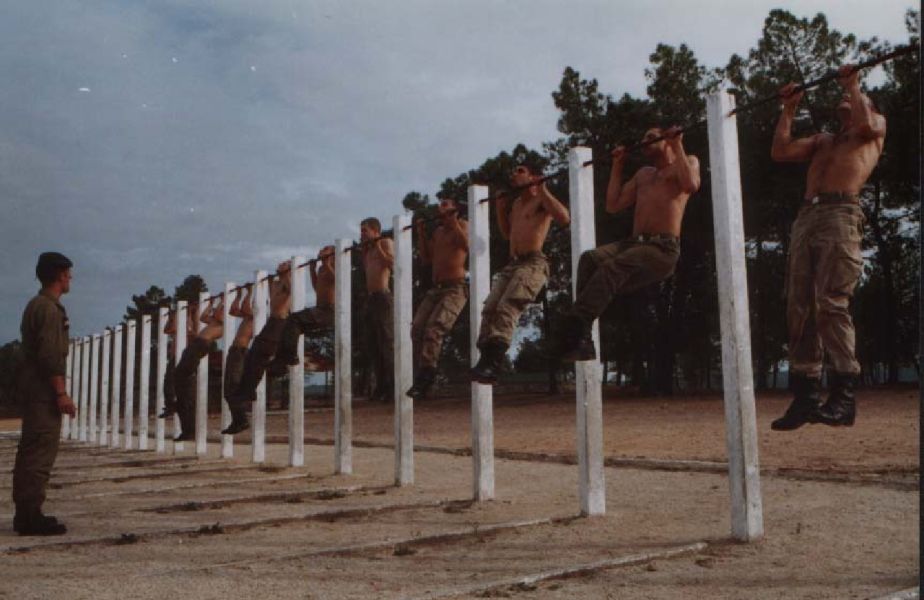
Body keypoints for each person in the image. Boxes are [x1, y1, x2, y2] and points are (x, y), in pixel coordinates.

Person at [768, 65, 885, 431]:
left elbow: (867, 125)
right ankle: (805, 396)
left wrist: (853, 84)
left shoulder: (874, 126)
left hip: (841, 213)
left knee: (831, 303)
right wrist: (789, 108)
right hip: (807, 216)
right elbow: (780, 151)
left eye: (852, 99)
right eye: (843, 98)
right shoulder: (823, 140)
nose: (844, 101)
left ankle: (843, 396)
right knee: (798, 306)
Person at [558, 126, 700, 361]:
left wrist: (678, 144)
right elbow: (612, 205)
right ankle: (582, 336)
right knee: (590, 259)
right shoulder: (644, 174)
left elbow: (691, 185)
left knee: (611, 267)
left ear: (666, 140)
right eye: (643, 137)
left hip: (662, 249)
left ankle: (573, 325)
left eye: (651, 137)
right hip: (633, 244)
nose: (645, 141)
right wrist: (618, 165)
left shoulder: (687, 162)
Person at [470, 165, 570, 383]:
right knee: (490, 308)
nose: (513, 174)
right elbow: (507, 234)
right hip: (513, 264)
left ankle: (494, 363)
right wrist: (499, 209)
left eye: (520, 171)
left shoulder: (541, 199)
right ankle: (485, 361)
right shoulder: (516, 204)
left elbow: (564, 218)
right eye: (513, 171)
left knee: (508, 306)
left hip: (533, 262)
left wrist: (543, 189)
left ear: (532, 176)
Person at [223, 247, 335, 434]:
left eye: (285, 264)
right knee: (254, 357)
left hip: (279, 323)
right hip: (272, 322)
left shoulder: (290, 280)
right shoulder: (279, 282)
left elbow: (293, 290)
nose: (281, 265)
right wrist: (266, 283)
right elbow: (272, 299)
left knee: (259, 354)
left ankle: (261, 380)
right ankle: (248, 392)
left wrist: (286, 275)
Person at [13, 252, 76, 536]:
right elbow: (50, 356)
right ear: (60, 275)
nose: (70, 278)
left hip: (34, 389)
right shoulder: (49, 309)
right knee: (39, 452)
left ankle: (27, 513)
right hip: (43, 392)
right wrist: (61, 393)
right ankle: (29, 516)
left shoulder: (37, 305)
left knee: (31, 451)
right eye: (68, 273)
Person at [406, 196, 469, 399]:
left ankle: (428, 374)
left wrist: (454, 222)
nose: (440, 209)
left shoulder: (463, 225)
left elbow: (467, 245)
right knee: (417, 328)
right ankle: (422, 373)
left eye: (445, 205)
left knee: (435, 328)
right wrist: (421, 233)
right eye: (439, 206)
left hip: (455, 288)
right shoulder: (438, 232)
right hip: (436, 289)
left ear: (455, 210)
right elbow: (427, 258)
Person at [360, 218, 396, 402]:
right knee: (372, 344)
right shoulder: (367, 250)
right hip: (371, 297)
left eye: (364, 231)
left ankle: (393, 386)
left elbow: (392, 264)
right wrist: (366, 250)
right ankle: (381, 385)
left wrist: (378, 246)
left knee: (387, 342)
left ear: (375, 231)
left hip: (383, 296)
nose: (362, 234)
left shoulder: (385, 242)